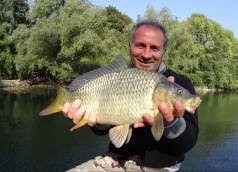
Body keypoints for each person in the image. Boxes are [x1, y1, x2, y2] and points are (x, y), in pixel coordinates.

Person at [63, 20, 199, 171]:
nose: (146, 54)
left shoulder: (178, 83)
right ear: (130, 46)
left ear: (164, 52)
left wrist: (170, 123)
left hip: (158, 168)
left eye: (154, 48)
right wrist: (96, 121)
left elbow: (189, 142)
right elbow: (101, 129)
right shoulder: (116, 77)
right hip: (112, 162)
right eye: (140, 45)